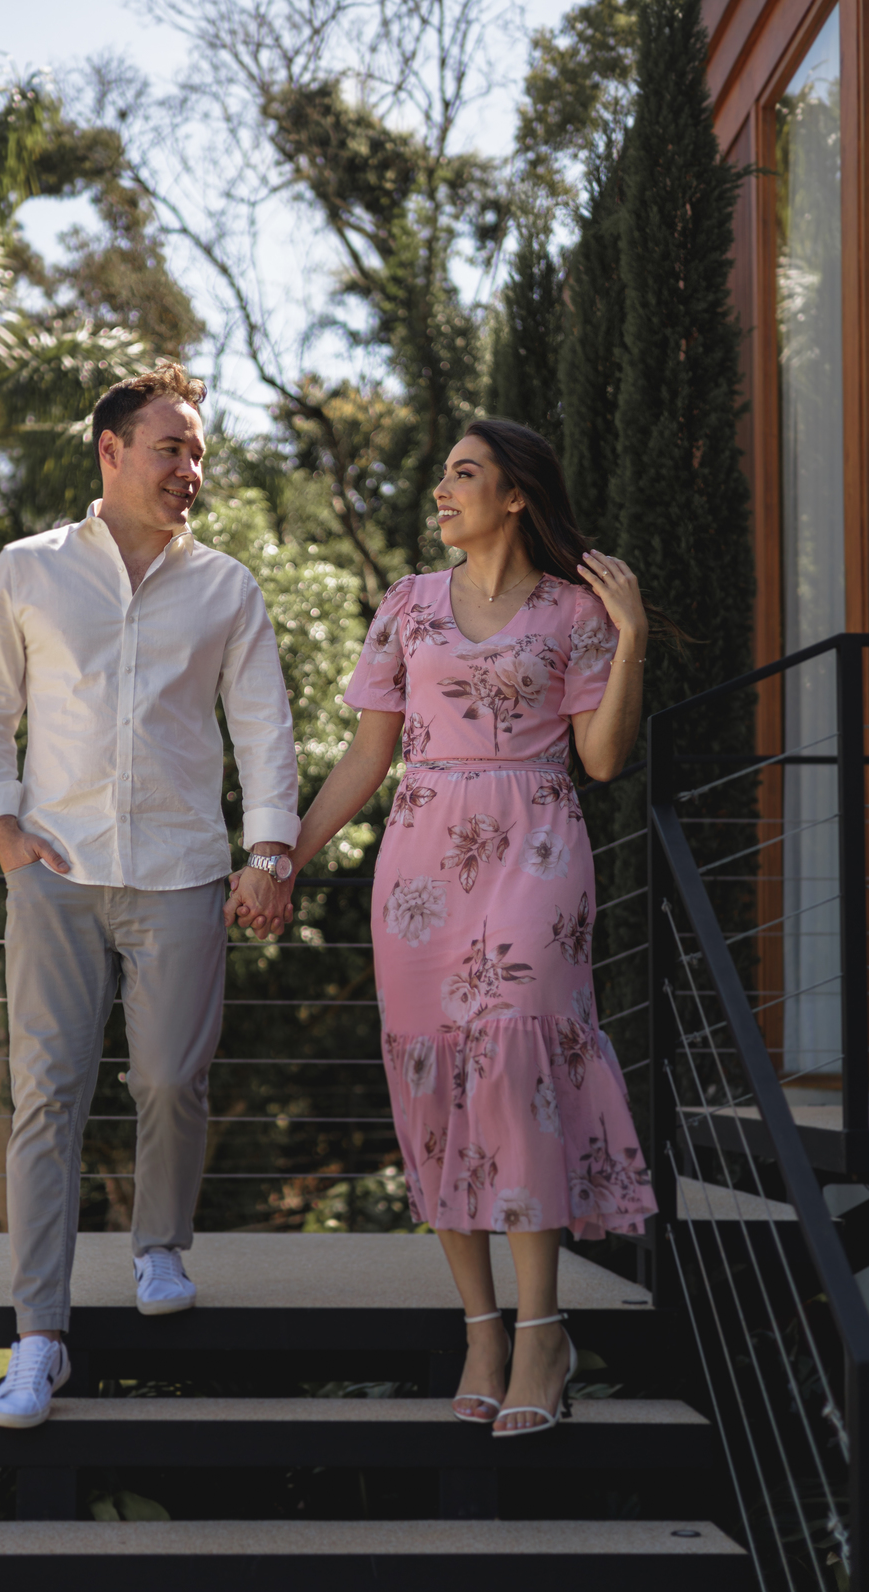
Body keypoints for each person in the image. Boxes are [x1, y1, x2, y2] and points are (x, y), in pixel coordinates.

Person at [280, 418, 658, 1435]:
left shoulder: (575, 612)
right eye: (443, 475)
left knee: (518, 1054)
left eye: (464, 474)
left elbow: (606, 758)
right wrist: (285, 855)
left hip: (537, 842)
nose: (441, 491)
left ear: (516, 496)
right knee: (434, 1074)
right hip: (420, 865)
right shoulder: (406, 607)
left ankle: (544, 1330)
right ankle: (482, 1328)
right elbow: (366, 760)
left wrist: (632, 643)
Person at [0, 361, 299, 1428]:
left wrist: (270, 851)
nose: (190, 469)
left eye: (197, 451)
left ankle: (158, 1248)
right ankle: (39, 1338)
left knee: (167, 1078)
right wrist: (3, 830)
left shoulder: (227, 587)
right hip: (53, 875)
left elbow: (264, 730)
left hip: (186, 871)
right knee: (47, 1098)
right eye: (171, 448)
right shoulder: (28, 569)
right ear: (110, 451)